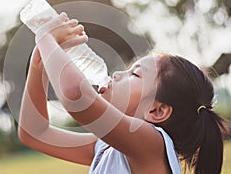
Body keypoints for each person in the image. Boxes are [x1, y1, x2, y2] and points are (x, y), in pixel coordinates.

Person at [18, 12, 228, 174]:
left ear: (156, 110)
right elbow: (34, 132)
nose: (118, 74)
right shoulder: (107, 147)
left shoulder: (152, 144)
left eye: (134, 74)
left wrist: (47, 40)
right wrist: (39, 65)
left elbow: (76, 95)